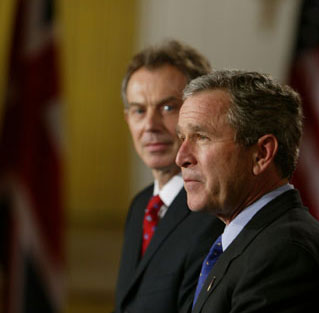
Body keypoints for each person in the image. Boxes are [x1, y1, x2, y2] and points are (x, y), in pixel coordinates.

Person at [176, 70, 319, 313]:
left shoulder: (285, 254)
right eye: (182, 138)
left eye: (201, 137)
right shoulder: (252, 242)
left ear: (261, 155)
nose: (181, 157)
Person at [114, 40, 224, 313]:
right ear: (128, 119)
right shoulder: (141, 206)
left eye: (167, 108)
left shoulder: (215, 211)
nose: (150, 126)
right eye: (139, 110)